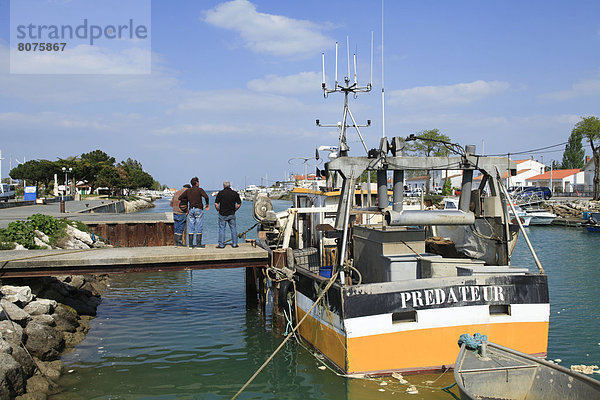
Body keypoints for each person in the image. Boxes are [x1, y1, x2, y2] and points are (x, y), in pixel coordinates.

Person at [178, 177, 209, 248]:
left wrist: (187, 201)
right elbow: (206, 197)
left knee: (191, 226)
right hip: (198, 209)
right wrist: (207, 204)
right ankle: (198, 245)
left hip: (191, 209)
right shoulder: (200, 189)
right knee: (199, 226)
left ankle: (191, 245)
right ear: (197, 183)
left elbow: (180, 198)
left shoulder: (188, 191)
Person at [215, 181, 242, 248]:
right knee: (233, 229)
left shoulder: (220, 193)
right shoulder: (234, 193)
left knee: (222, 229)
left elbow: (216, 204)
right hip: (231, 213)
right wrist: (235, 210)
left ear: (223, 186)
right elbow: (239, 204)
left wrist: (218, 210)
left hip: (222, 214)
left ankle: (221, 245)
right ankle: (234, 244)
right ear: (229, 186)